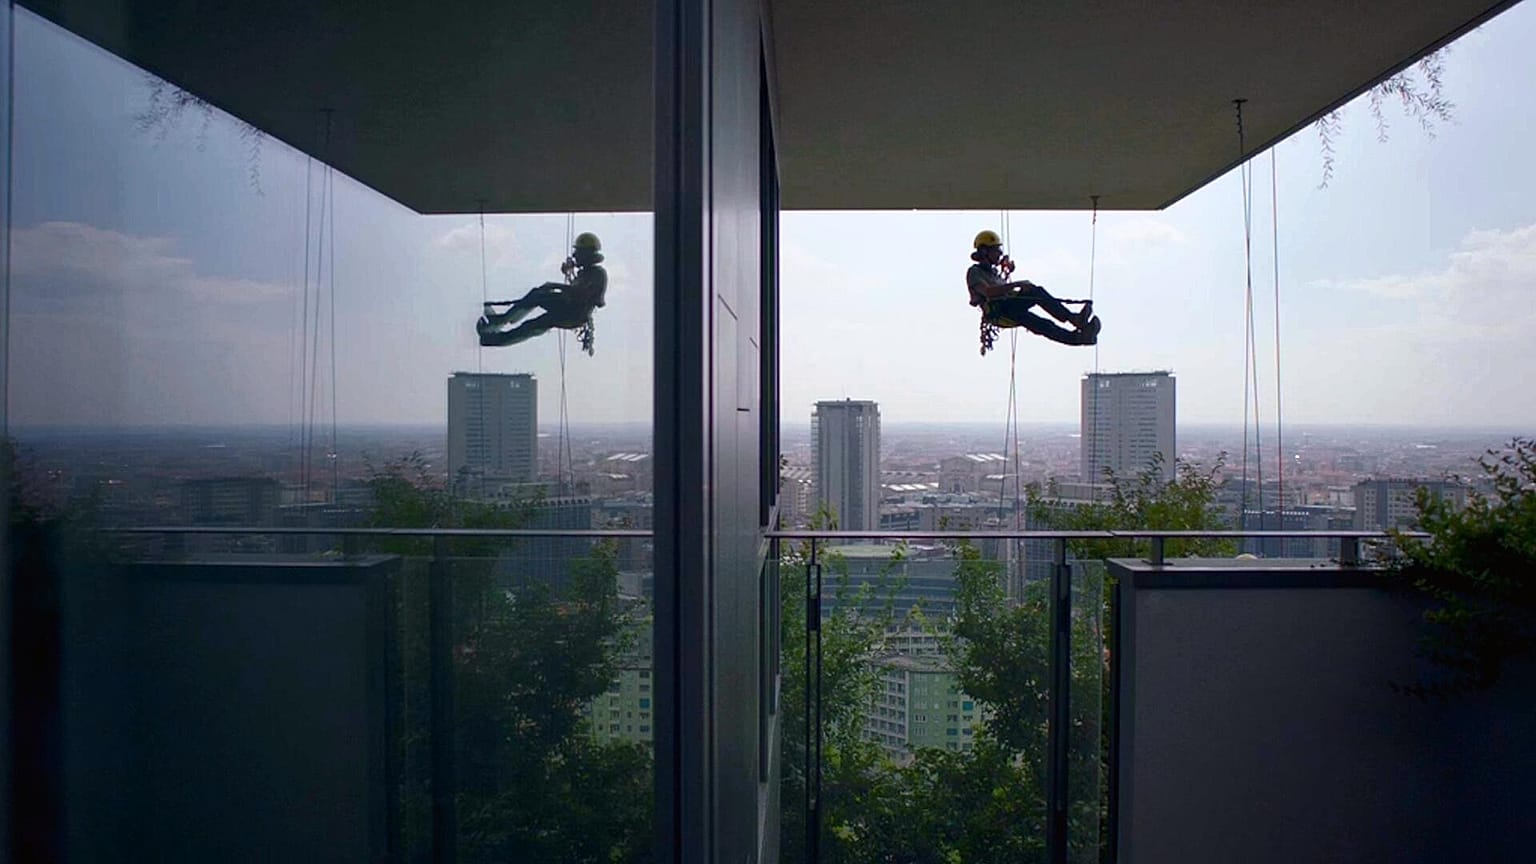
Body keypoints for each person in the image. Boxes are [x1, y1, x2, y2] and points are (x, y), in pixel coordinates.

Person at [966, 229, 1100, 346]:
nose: (1000, 254)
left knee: (1036, 293)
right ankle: (1077, 336)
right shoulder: (974, 272)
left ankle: (1075, 322)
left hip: (1008, 307)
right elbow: (989, 292)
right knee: (1042, 323)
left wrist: (1017, 284)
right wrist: (1017, 284)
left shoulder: (993, 273)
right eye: (996, 250)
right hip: (999, 311)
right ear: (984, 252)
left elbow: (1002, 290)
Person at [478, 232, 608, 347]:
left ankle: (495, 336)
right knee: (537, 296)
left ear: (586, 254)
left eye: (578, 252)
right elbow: (576, 290)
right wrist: (568, 273)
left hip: (573, 313)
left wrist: (555, 285)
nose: (574, 255)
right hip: (569, 308)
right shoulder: (587, 273)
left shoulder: (597, 274)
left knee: (532, 325)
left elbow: (580, 293)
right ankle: (502, 321)